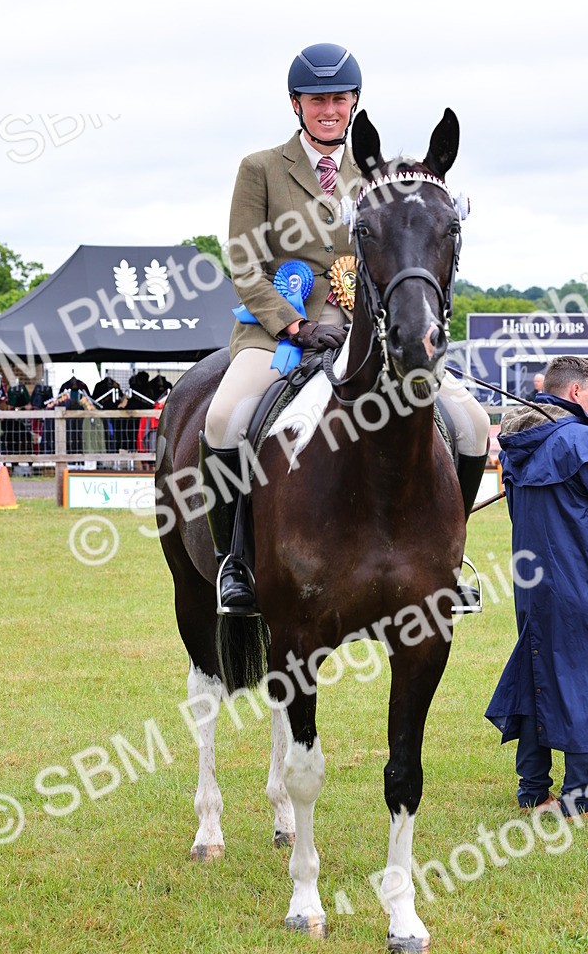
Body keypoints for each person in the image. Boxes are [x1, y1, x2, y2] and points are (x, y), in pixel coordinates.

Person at [200, 41, 490, 615]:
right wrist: (294, 325)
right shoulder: (260, 169)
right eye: (316, 100)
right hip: (280, 331)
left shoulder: (379, 172)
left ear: (354, 102)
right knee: (223, 418)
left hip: (373, 329)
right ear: (296, 104)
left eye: (339, 98)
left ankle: (448, 559)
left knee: (474, 425)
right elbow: (242, 260)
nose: (329, 109)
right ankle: (236, 560)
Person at [484, 355, 588, 817]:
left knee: (537, 677)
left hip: (533, 586)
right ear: (574, 393)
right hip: (583, 585)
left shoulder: (519, 444)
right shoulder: (582, 442)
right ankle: (581, 797)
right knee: (585, 684)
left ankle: (533, 789)